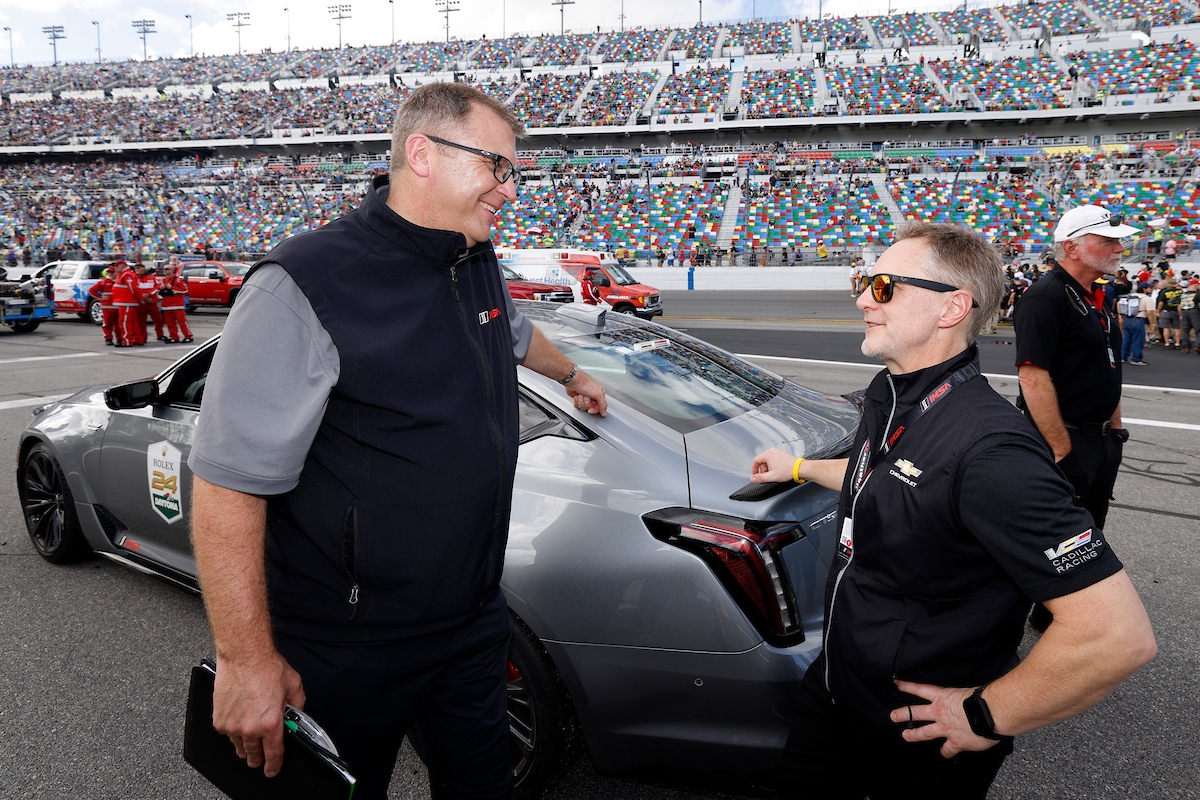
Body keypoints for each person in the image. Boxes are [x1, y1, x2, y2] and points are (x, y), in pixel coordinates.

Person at [187, 83, 607, 800]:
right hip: (348, 643)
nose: (510, 190)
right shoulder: (307, 282)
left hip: (472, 621)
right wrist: (246, 661)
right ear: (422, 154)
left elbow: (511, 332)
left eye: (512, 171)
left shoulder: (472, 259)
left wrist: (573, 375)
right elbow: (228, 484)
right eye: (497, 167)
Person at [750, 222, 1156, 800]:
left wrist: (986, 715)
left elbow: (1116, 635)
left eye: (884, 287)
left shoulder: (991, 450)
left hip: (915, 734)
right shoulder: (893, 395)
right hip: (837, 687)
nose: (863, 299)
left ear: (952, 308)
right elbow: (896, 481)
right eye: (865, 282)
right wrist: (798, 467)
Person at [1014, 205, 1135, 533]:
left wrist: (1116, 432)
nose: (1119, 249)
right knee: (1058, 540)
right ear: (1071, 248)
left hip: (1101, 441)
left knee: (1092, 533)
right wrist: (1061, 448)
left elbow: (1108, 364)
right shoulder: (1045, 297)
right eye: (1108, 241)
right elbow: (1032, 377)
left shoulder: (1097, 296)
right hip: (1067, 440)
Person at [1116, 282, 1152, 365]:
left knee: (1126, 340)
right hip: (1139, 320)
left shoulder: (1131, 295)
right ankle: (1136, 359)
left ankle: (1123, 357)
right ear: (1144, 289)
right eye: (1149, 288)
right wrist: (1152, 323)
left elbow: (1119, 303)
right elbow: (1150, 312)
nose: (1151, 289)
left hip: (1128, 319)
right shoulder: (1147, 298)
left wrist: (1120, 316)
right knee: (1138, 340)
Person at [110, 259, 143, 346]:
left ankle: (127, 341)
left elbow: (133, 289)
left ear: (122, 266)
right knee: (132, 322)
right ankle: (137, 339)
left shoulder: (127, 275)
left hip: (126, 302)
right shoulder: (124, 275)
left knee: (125, 322)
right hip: (125, 302)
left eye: (116, 266)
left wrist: (139, 299)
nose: (115, 268)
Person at [158, 264, 193, 343]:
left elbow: (185, 290)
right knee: (170, 323)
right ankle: (174, 337)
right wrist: (160, 288)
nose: (164, 270)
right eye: (164, 269)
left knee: (182, 322)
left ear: (173, 270)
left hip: (177, 305)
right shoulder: (162, 280)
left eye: (167, 269)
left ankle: (188, 336)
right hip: (166, 305)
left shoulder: (179, 280)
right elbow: (156, 290)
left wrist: (172, 288)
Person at [133, 261, 166, 343]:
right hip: (141, 303)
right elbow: (134, 289)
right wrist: (142, 297)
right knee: (141, 321)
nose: (137, 269)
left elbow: (156, 288)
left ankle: (160, 334)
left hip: (151, 302)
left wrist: (149, 295)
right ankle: (143, 336)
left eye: (138, 268)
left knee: (158, 319)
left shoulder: (151, 277)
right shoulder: (133, 278)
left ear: (143, 268)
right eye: (135, 268)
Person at [87, 267, 119, 346]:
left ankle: (119, 339)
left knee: (119, 324)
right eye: (109, 272)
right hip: (107, 307)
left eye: (112, 272)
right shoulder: (103, 282)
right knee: (107, 323)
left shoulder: (120, 281)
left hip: (119, 306)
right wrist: (100, 298)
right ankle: (108, 338)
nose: (110, 274)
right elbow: (91, 290)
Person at [1156, 276, 1183, 349]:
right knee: (1177, 328)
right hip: (1176, 311)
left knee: (1166, 328)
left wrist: (1158, 311)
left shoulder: (1164, 292)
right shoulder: (1180, 292)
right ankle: (1177, 343)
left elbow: (1161, 303)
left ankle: (1167, 343)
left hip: (1166, 311)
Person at [1180, 277, 1200, 355]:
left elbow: (1175, 304)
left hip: (1184, 311)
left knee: (1185, 330)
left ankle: (1186, 347)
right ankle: (1198, 345)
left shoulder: (1183, 294)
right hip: (1194, 312)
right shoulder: (1197, 294)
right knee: (1198, 329)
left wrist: (1180, 314)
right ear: (1195, 285)